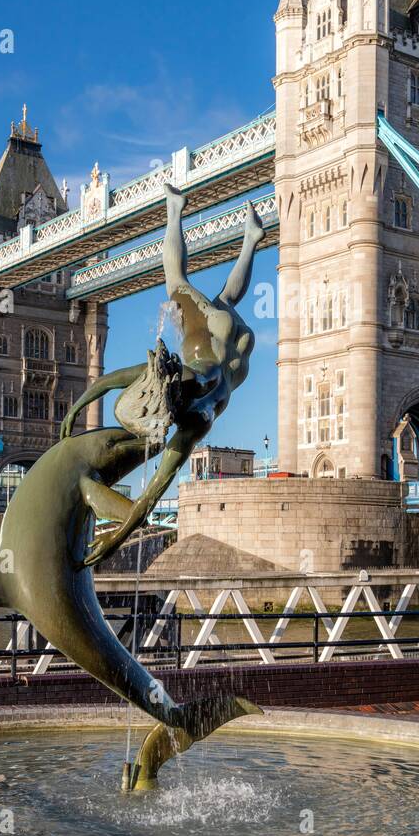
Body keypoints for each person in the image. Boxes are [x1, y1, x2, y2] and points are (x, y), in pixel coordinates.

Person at [61, 184, 263, 567]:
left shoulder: (195, 422)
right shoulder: (176, 378)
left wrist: (116, 538)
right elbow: (115, 379)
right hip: (215, 340)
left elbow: (151, 495)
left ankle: (206, 220)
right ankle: (180, 211)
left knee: (205, 291)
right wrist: (78, 408)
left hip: (238, 352)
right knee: (184, 284)